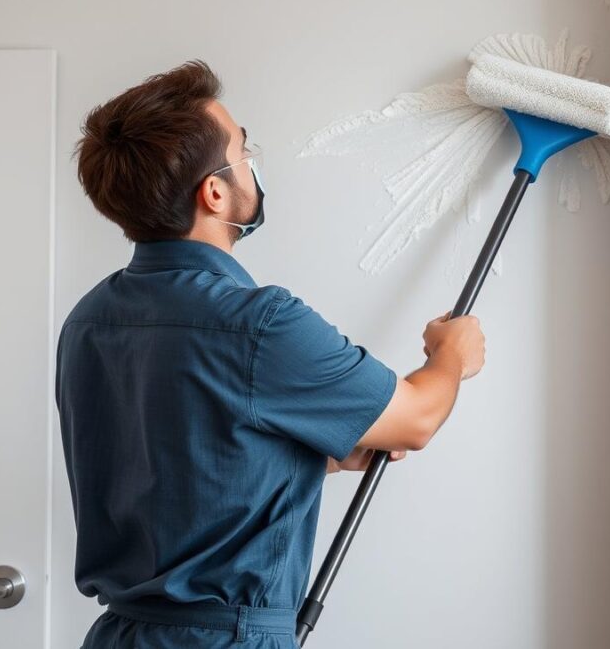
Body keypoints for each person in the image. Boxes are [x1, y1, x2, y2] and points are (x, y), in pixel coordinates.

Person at [55, 59, 486, 648]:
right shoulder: (259, 324)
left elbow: (174, 464)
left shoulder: (88, 319)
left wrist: (305, 462)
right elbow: (416, 419)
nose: (252, 162)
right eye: (243, 150)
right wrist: (451, 354)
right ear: (214, 192)